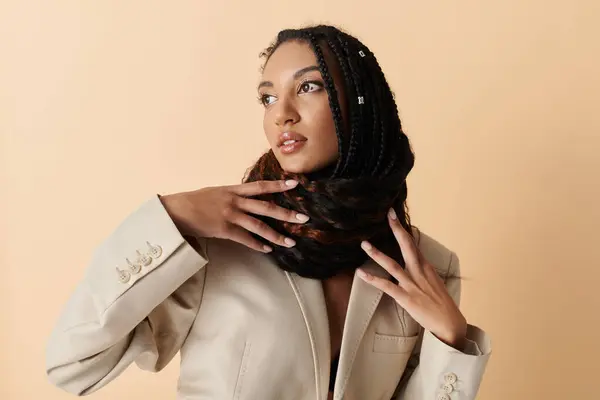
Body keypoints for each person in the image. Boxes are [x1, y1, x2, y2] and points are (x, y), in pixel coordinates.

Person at [45, 25, 491, 400]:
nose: (282, 114)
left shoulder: (426, 266)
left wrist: (451, 341)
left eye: (309, 87)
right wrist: (172, 217)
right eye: (267, 97)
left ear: (361, 106)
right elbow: (73, 365)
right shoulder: (214, 249)